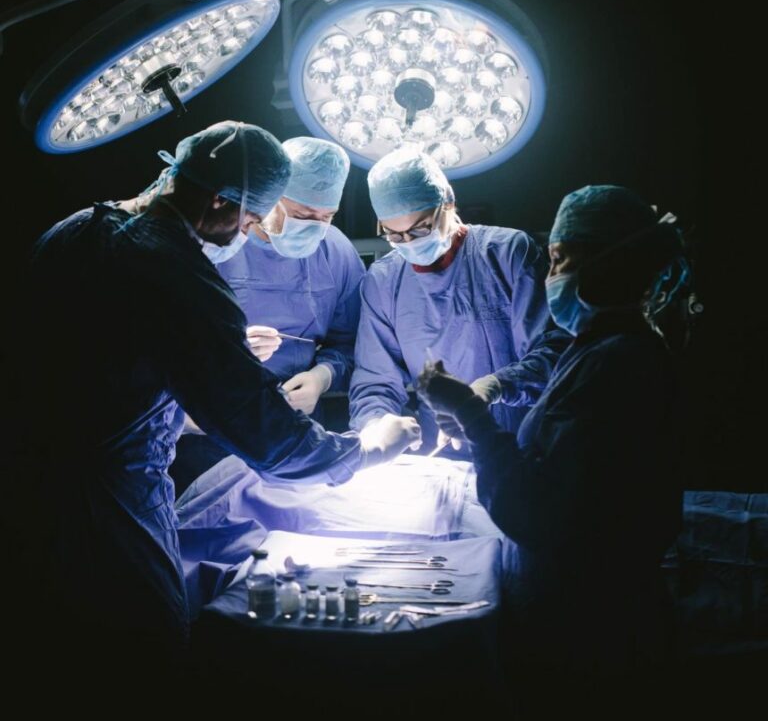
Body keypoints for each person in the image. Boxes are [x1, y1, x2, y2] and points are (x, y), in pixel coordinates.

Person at [13, 121, 419, 675]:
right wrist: (366, 449)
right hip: (106, 506)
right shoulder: (175, 271)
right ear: (218, 200)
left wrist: (216, 360)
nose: (248, 233)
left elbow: (98, 365)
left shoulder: (79, 228)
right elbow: (270, 438)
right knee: (138, 655)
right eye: (252, 219)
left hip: (29, 487)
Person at [418, 185, 689, 697]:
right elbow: (558, 427)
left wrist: (474, 416)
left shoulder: (619, 362)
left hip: (589, 624)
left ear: (608, 264)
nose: (550, 276)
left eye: (560, 260)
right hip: (591, 599)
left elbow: (536, 513)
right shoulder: (608, 347)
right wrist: (478, 411)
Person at [349, 147, 569, 454]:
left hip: (520, 443)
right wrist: (376, 423)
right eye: (394, 235)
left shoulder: (507, 253)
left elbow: (554, 351)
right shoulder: (383, 281)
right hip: (440, 450)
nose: (409, 242)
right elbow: (375, 378)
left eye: (421, 228)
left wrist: (496, 386)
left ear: (448, 203)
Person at [217, 136, 364, 418]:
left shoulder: (336, 252)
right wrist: (223, 353)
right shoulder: (218, 244)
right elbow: (166, 341)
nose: (314, 226)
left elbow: (353, 342)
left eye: (326, 216)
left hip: (297, 418)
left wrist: (322, 377)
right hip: (215, 418)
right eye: (302, 214)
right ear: (268, 197)